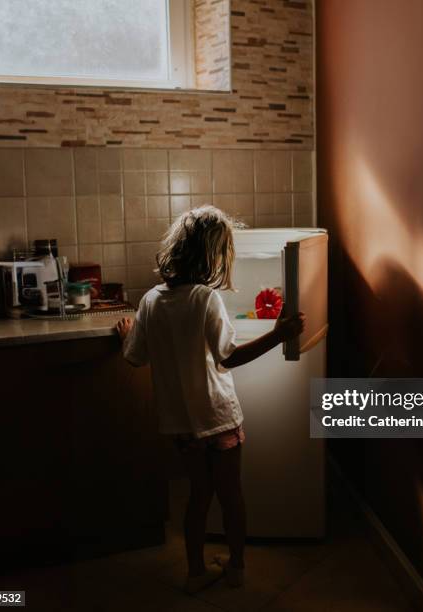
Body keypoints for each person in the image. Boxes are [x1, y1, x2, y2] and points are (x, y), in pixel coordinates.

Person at [116, 206, 305, 593]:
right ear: (213, 257)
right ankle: (235, 568)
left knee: (198, 496)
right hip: (219, 419)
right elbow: (229, 355)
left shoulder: (151, 301)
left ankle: (196, 572)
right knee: (231, 494)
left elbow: (135, 357)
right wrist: (280, 333)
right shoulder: (205, 298)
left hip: (183, 426)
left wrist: (126, 333)